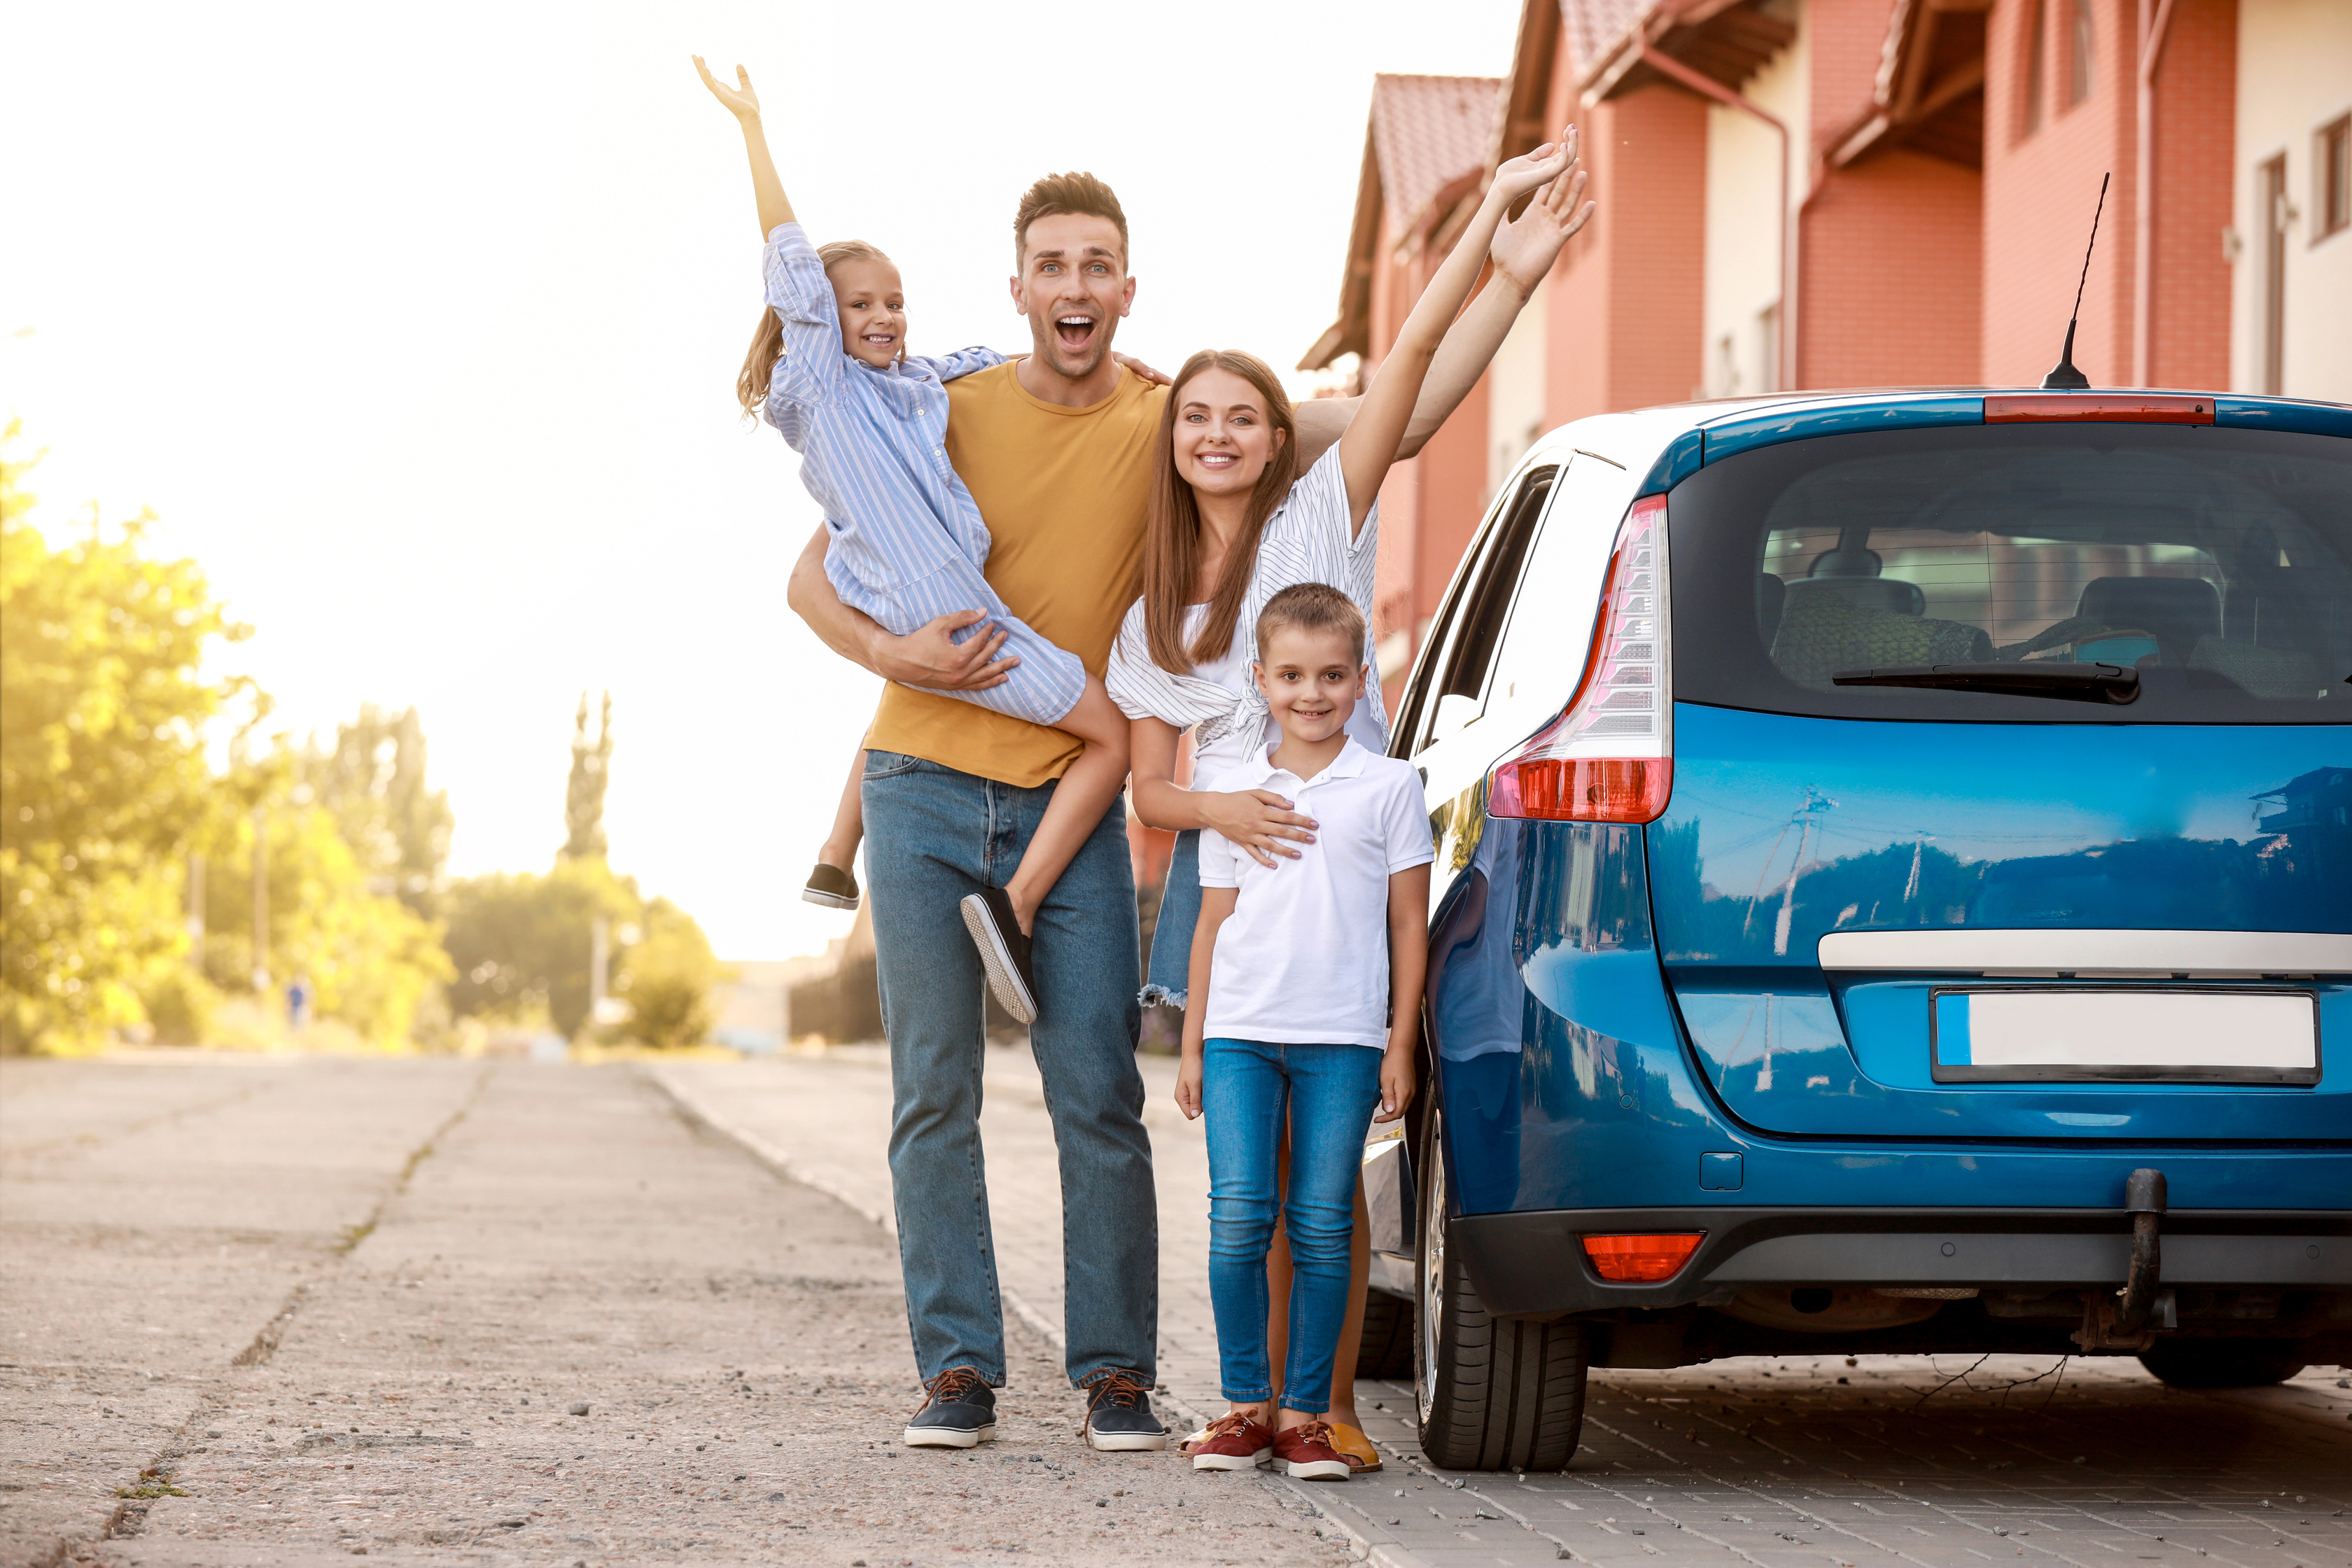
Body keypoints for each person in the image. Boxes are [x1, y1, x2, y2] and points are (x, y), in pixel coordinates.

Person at [780, 134, 1572, 1457]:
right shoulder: (945, 407)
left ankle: (1122, 1378)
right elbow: (817, 567)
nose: (1073, 284)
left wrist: (1505, 265)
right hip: (923, 776)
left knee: (1100, 1094)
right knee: (933, 1093)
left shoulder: (1174, 422)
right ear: (1019, 285)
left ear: (1127, 289)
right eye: (1051, 265)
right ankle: (960, 1371)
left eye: (1097, 264)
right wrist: (889, 653)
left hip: (1071, 797)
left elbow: (1407, 401)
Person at [1110, 131, 1591, 1471]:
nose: (1218, 436)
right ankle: (1258, 1401)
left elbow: (1408, 367)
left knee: (1334, 1171)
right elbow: (1153, 789)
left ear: (1278, 436)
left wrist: (1500, 247)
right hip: (1229, 891)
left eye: (1242, 417)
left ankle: (1333, 1405)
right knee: (1252, 1185)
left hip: (1356, 866)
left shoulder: (1322, 512)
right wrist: (1223, 815)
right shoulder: (1160, 602)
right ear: (1172, 441)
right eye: (1196, 418)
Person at [694, 57, 1133, 1026]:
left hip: (926, 594)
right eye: (860, 305)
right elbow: (792, 263)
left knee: (914, 697)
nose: (883, 316)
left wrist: (1114, 357)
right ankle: (1015, 907)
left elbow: (990, 361)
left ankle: (833, 857)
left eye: (894, 301)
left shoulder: (913, 388)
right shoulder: (823, 387)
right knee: (1113, 734)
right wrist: (754, 131)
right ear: (822, 321)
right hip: (953, 611)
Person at [1175, 587, 1434, 1481]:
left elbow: (1409, 923)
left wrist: (1400, 1042)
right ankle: (1246, 1405)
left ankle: (1307, 1417)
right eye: (1291, 675)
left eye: (1330, 675)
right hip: (1240, 1033)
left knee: (1323, 1223)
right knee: (1239, 1217)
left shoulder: (1391, 786)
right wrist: (1191, 1043)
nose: (1311, 693)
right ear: (1261, 678)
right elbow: (1212, 922)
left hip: (1344, 1039)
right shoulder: (1232, 795)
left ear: (1360, 679)